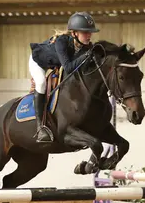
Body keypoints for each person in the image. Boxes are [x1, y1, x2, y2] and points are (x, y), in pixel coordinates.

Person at [28, 11, 99, 143]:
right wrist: (86, 56)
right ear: (74, 33)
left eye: (90, 32)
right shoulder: (62, 42)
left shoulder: (86, 46)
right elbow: (69, 68)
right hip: (38, 61)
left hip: (55, 63)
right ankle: (40, 127)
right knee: (41, 83)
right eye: (85, 32)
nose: (89, 35)